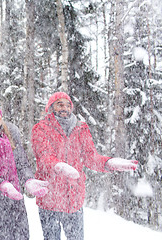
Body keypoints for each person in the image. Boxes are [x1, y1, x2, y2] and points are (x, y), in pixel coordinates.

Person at [31, 91, 138, 240]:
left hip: (74, 199)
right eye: (59, 104)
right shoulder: (41, 128)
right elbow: (44, 157)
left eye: (68, 105)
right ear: (51, 107)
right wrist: (59, 166)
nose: (64, 108)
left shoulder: (81, 128)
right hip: (50, 199)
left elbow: (90, 157)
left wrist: (108, 162)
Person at [0, 102, 49, 240]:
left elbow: (22, 164)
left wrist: (28, 180)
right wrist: (3, 185)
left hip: (15, 202)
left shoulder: (11, 137)